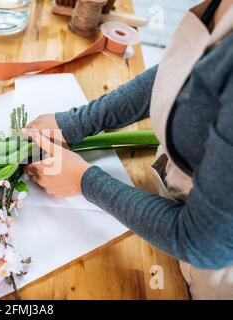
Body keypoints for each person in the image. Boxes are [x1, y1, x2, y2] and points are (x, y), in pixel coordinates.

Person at [23, 0, 233, 299]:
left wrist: (83, 181)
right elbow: (184, 76)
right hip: (170, 194)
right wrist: (80, 121)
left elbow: (203, 243)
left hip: (211, 273)